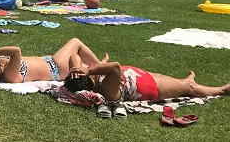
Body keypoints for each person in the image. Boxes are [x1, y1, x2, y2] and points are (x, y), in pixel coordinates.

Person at [64, 61, 230, 103]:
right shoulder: (107, 90)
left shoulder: (96, 82)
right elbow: (115, 67)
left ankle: (184, 82)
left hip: (144, 78)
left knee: (179, 83)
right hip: (150, 87)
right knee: (190, 88)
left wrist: (75, 69)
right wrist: (89, 70)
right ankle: (222, 90)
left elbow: (74, 58)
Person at [0, 38, 104, 84]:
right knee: (75, 43)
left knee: (76, 50)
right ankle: (99, 66)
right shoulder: (9, 76)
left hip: (51, 61)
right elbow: (16, 51)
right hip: (56, 69)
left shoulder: (0, 65)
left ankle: (98, 66)